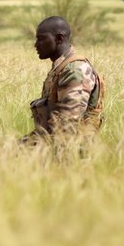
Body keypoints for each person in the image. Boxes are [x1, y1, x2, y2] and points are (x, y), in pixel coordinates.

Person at [20, 16, 105, 149]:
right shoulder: (61, 68)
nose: (36, 44)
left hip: (73, 155)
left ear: (59, 39)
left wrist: (26, 146)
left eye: (41, 39)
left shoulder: (75, 71)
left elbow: (68, 125)